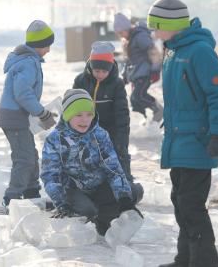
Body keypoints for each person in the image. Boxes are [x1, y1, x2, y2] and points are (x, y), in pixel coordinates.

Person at [147, 0, 218, 267]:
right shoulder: (172, 51)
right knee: (180, 202)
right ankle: (185, 259)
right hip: (178, 140)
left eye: (156, 25)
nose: (153, 32)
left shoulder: (199, 52)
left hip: (198, 140)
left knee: (192, 206)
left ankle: (205, 262)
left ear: (171, 24)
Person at [41, 89, 143, 235]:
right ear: (68, 115)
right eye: (78, 115)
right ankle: (91, 212)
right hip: (72, 189)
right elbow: (50, 175)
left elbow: (113, 168)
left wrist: (124, 199)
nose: (85, 120)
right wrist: (61, 202)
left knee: (132, 192)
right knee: (87, 210)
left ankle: (102, 215)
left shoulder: (100, 135)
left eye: (89, 114)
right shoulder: (54, 139)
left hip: (98, 187)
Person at [0, 20, 56, 206]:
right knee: (24, 159)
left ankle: (32, 193)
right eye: (47, 46)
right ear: (38, 45)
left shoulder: (28, 60)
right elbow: (22, 93)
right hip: (14, 118)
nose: (48, 50)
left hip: (19, 117)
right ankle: (12, 198)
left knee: (30, 155)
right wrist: (42, 113)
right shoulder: (28, 63)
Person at [73, 41, 133, 182]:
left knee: (118, 157)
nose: (100, 74)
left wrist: (121, 141)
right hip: (85, 130)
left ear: (111, 68)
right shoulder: (81, 81)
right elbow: (72, 107)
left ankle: (126, 187)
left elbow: (122, 114)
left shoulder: (117, 84)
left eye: (104, 71)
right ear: (90, 67)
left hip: (109, 131)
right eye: (97, 71)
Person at [113, 12, 163, 122]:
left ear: (127, 28)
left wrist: (155, 70)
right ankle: (145, 118)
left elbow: (153, 51)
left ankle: (158, 109)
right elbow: (128, 60)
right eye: (118, 33)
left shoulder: (140, 36)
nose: (121, 35)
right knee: (135, 101)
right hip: (136, 73)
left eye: (122, 32)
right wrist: (125, 76)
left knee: (138, 96)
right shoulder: (127, 41)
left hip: (146, 72)